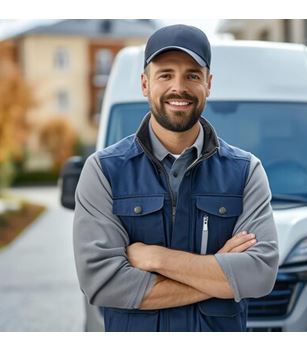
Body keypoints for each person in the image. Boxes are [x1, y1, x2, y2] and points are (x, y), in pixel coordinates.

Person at [73, 24, 279, 332]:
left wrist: (156, 258)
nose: (178, 87)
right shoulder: (104, 171)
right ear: (145, 84)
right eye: (165, 74)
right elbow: (103, 283)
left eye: (192, 75)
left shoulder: (245, 171)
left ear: (208, 84)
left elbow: (260, 274)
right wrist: (221, 273)